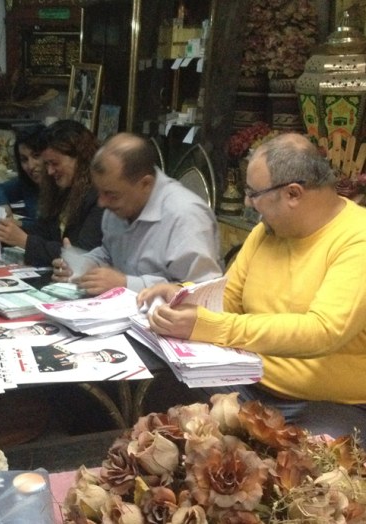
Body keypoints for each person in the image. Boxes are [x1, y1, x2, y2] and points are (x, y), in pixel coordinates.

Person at [138, 133, 366, 440]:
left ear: (293, 194)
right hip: (247, 382)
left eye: (253, 193)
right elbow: (228, 300)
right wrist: (184, 295)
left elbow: (323, 331)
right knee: (159, 403)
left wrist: (211, 327)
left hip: (327, 404)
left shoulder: (356, 239)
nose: (247, 202)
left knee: (306, 470)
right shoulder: (268, 231)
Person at [52, 132, 222, 294]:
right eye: (100, 192)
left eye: (111, 194)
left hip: (166, 320)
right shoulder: (119, 204)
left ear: (145, 184)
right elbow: (110, 252)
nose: (102, 203)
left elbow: (201, 291)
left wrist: (126, 284)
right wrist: (83, 266)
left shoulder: (185, 215)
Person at [0, 120, 104, 267]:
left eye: (55, 163)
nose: (50, 172)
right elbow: (45, 231)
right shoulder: (64, 189)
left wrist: (24, 241)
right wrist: (4, 231)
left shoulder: (100, 197)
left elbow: (83, 253)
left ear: (79, 158)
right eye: (47, 164)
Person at [0, 124, 46, 229]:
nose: (31, 166)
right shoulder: (28, 183)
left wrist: (20, 224)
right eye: (24, 159)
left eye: (36, 156)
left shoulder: (62, 185)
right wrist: (4, 210)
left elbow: (52, 230)